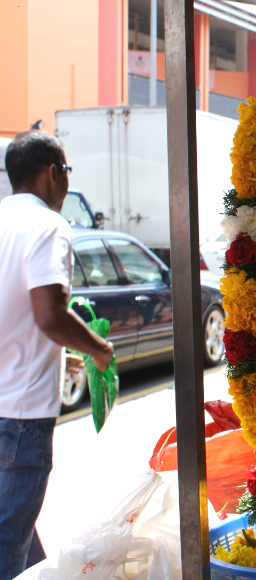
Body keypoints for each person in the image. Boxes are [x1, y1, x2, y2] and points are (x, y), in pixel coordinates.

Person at [0, 131, 113, 579]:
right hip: (21, 418)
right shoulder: (48, 226)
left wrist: (57, 356)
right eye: (65, 173)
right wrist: (99, 349)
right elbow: (49, 314)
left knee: (17, 537)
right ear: (52, 174)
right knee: (8, 545)